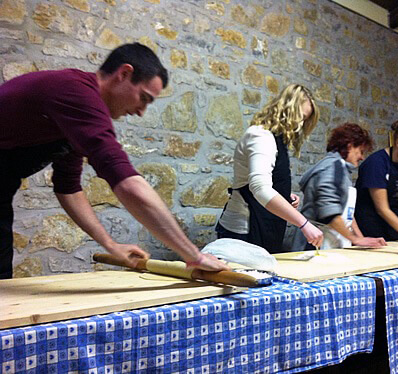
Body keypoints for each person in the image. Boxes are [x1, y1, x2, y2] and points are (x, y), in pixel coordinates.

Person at [0, 43, 228, 279]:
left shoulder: (75, 113)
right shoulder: (75, 93)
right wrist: (194, 256)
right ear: (124, 74)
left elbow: (68, 188)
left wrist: (110, 244)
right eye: (144, 98)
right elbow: (128, 184)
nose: (141, 111)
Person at [216, 84, 323, 253]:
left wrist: (284, 195)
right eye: (300, 117)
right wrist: (304, 223)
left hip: (265, 224)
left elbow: (267, 182)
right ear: (288, 110)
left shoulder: (276, 139)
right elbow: (260, 187)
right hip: (244, 229)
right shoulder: (261, 136)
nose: (301, 125)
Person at [292, 123, 386, 250]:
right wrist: (355, 239)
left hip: (334, 242)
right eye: (361, 151)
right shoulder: (332, 168)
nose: (362, 157)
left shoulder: (341, 169)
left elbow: (346, 212)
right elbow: (329, 211)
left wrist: (361, 238)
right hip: (315, 245)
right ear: (350, 146)